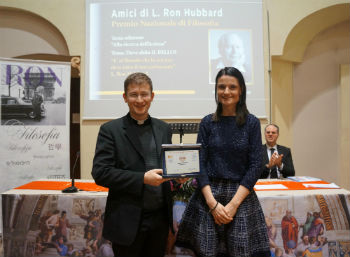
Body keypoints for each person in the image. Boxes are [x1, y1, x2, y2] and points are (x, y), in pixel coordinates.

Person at [176, 67, 270, 257]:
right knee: (208, 251)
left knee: (240, 250)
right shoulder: (207, 123)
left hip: (241, 196)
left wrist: (233, 205)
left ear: (241, 90)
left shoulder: (251, 123)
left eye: (232, 87)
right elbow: (199, 164)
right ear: (216, 90)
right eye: (221, 87)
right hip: (209, 195)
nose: (226, 92)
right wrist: (213, 205)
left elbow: (255, 166)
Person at [92, 72, 174, 257]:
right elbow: (101, 173)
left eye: (144, 94)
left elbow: (167, 167)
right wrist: (142, 178)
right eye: (133, 94)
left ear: (152, 96)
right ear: (125, 98)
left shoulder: (164, 128)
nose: (139, 99)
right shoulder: (110, 130)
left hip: (160, 220)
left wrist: (177, 174)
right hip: (127, 222)